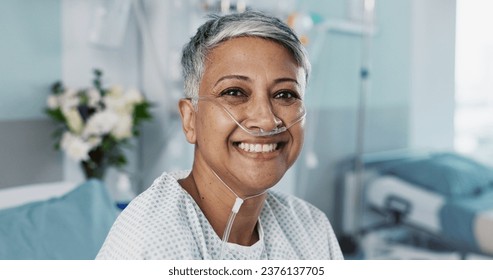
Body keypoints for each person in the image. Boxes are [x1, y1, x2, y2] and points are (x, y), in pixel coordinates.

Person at [96, 10, 343, 260]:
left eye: (285, 95)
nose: (266, 120)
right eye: (234, 92)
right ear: (190, 119)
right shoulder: (153, 240)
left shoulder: (311, 228)